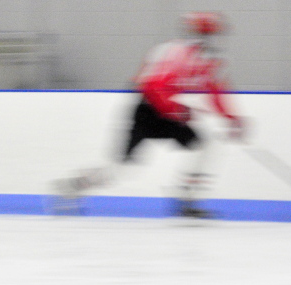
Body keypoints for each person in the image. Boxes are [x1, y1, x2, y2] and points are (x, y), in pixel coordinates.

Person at [55, 11, 244, 218]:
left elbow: (216, 92)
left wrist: (231, 118)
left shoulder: (210, 60)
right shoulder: (174, 52)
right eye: (214, 34)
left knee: (203, 145)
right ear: (204, 34)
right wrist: (176, 109)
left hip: (168, 111)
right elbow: (152, 86)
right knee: (123, 168)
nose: (217, 40)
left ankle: (187, 199)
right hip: (147, 111)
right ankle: (74, 185)